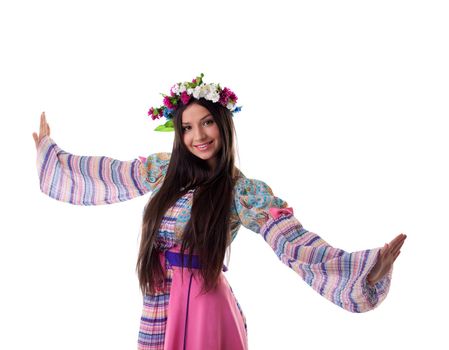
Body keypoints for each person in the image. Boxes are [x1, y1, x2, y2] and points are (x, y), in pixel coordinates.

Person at [33, 73, 407, 350]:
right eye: (187, 127)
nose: (199, 136)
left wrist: (365, 267)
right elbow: (109, 174)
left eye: (208, 122)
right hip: (162, 297)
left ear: (224, 124)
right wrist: (50, 155)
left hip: (203, 302)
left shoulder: (242, 192)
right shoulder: (164, 171)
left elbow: (292, 242)